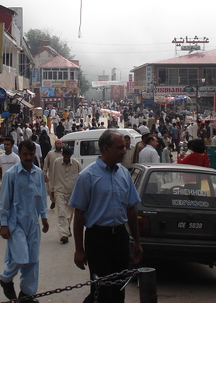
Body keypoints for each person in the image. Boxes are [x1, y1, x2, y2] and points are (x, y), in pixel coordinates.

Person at [69, 130, 142, 303]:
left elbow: (131, 209)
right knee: (101, 290)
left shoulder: (124, 174)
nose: (124, 151)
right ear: (105, 148)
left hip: (120, 239)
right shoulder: (87, 176)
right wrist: (79, 249)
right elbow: (79, 215)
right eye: (119, 148)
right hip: (97, 239)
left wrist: (137, 242)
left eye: (124, 147)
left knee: (119, 290)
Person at [0, 140, 49, 301]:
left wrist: (44, 217)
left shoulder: (38, 173)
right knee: (21, 257)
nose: (28, 157)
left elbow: (41, 197)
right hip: (16, 223)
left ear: (35, 154)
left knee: (33, 260)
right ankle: (5, 279)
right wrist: (4, 225)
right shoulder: (11, 175)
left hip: (33, 223)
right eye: (25, 154)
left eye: (31, 154)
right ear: (19, 154)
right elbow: (4, 202)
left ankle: (26, 294)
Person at [50, 146, 81, 244]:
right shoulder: (57, 162)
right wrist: (52, 189)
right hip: (60, 191)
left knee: (69, 212)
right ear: (62, 155)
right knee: (62, 213)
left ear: (71, 156)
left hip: (72, 192)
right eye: (65, 156)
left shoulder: (76, 164)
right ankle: (64, 234)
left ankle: (66, 228)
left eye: (68, 156)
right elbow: (53, 175)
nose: (67, 158)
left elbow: (81, 178)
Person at [43, 139, 64, 209]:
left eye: (60, 143)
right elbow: (46, 163)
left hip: (62, 175)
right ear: (55, 144)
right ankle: (53, 201)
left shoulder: (64, 153)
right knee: (51, 190)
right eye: (58, 143)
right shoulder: (50, 154)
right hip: (52, 175)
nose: (59, 145)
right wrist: (44, 173)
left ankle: (59, 202)